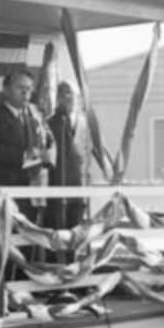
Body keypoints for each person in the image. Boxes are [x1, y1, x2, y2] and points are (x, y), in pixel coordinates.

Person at [0, 68, 54, 222]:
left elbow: (37, 150)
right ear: (6, 90)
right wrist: (24, 156)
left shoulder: (32, 119)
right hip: (5, 190)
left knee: (28, 241)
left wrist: (44, 158)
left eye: (28, 89)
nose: (26, 93)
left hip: (30, 190)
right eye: (20, 88)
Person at [45, 81, 91, 232]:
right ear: (57, 98)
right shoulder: (49, 123)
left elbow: (88, 153)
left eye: (71, 94)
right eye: (63, 94)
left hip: (78, 189)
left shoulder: (84, 124)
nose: (68, 97)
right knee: (57, 233)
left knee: (74, 234)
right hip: (57, 187)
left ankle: (71, 256)